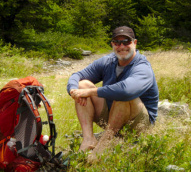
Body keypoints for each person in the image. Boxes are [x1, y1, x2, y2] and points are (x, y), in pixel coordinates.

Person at [66, 26, 159, 158]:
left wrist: (91, 92)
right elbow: (78, 75)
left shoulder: (142, 67)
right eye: (117, 42)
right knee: (82, 85)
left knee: (123, 96)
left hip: (138, 124)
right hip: (113, 116)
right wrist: (72, 90)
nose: (122, 46)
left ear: (135, 43)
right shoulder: (108, 61)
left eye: (126, 41)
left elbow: (126, 91)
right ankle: (88, 139)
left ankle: (104, 144)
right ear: (112, 45)